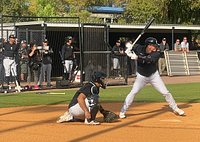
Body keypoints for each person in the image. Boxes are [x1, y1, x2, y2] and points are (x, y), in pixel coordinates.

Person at [119, 37, 185, 119]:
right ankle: (122, 111)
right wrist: (127, 46)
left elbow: (148, 60)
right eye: (153, 46)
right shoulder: (138, 48)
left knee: (165, 92)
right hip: (141, 76)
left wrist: (136, 57)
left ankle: (175, 108)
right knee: (133, 92)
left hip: (154, 76)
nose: (155, 47)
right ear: (149, 45)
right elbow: (124, 43)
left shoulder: (157, 53)